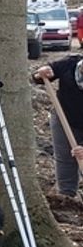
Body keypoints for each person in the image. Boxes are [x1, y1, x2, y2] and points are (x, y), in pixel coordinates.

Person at [33, 57, 83, 197]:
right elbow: (39, 76)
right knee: (65, 159)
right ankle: (67, 198)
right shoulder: (70, 63)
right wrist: (41, 73)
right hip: (63, 118)